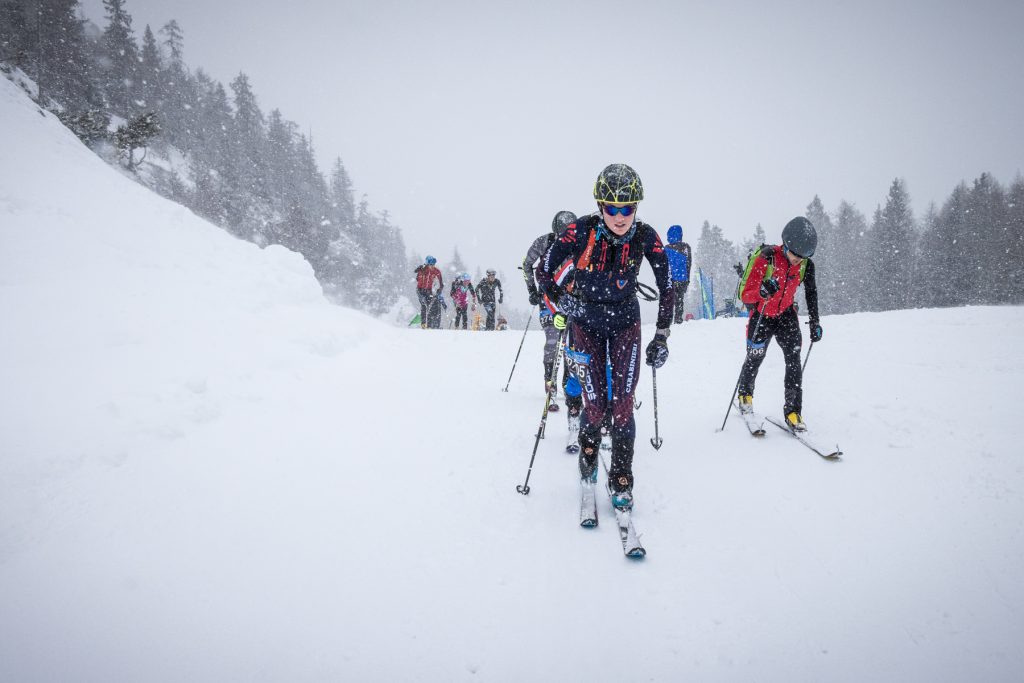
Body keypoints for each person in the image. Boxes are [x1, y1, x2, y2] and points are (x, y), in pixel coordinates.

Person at [537, 163, 674, 511]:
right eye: (612, 208)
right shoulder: (578, 231)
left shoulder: (644, 235)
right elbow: (544, 271)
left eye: (627, 208)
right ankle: (588, 457)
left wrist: (662, 335)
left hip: (626, 323)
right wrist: (560, 301)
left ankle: (622, 476)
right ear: (600, 206)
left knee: (624, 405)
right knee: (595, 406)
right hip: (586, 324)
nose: (619, 216)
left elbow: (666, 284)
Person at [736, 216, 822, 432]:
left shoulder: (805, 266)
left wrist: (814, 322)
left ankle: (793, 411)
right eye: (795, 255)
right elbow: (744, 295)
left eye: (803, 257)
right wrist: (762, 291)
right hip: (762, 313)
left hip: (785, 314)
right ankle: (745, 395)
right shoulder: (766, 258)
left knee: (794, 360)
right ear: (786, 245)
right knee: (755, 357)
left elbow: (811, 293)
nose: (797, 261)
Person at [522, 210, 579, 415]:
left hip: (572, 300)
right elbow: (527, 264)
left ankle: (567, 383)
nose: (565, 238)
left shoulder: (579, 242)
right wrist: (532, 290)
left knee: (571, 344)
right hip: (549, 299)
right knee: (553, 341)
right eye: (562, 234)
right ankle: (550, 384)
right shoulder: (543, 242)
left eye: (569, 233)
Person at [664, 225, 692, 324]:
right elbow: (689, 264)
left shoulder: (666, 248)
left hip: (670, 279)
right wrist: (687, 279)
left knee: (668, 300)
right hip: (682, 279)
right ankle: (678, 318)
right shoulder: (686, 247)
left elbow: (663, 265)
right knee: (679, 300)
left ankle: (667, 320)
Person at [414, 255, 443, 330]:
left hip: (428, 291)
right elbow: (416, 275)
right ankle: (423, 324)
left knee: (430, 306)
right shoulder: (423, 269)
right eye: (430, 264)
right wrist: (420, 269)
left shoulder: (436, 271)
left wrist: (439, 290)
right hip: (420, 290)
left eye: (433, 264)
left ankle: (430, 325)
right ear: (427, 264)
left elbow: (441, 282)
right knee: (424, 305)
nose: (432, 266)